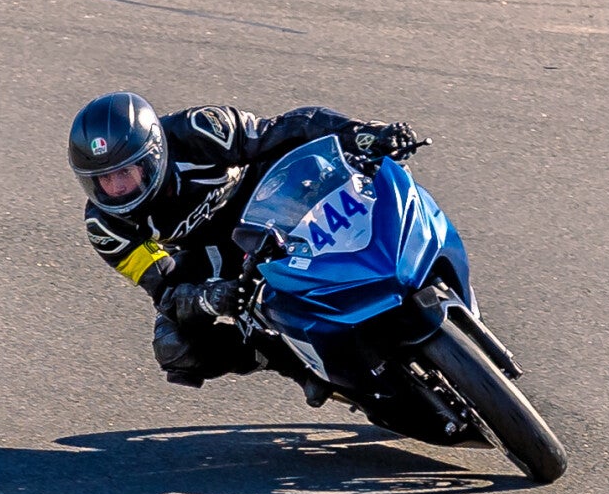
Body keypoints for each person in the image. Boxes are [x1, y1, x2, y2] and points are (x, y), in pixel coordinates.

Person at [68, 92, 425, 394]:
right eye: (102, 179)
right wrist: (206, 299)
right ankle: (290, 361)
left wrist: (359, 133)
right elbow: (164, 288)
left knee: (370, 174)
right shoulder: (105, 227)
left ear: (153, 155)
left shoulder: (201, 129)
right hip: (214, 250)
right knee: (175, 349)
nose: (115, 189)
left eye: (124, 172)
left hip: (278, 196)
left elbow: (290, 128)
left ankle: (412, 261)